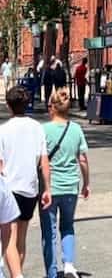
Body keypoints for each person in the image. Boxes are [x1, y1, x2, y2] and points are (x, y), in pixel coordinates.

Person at [0, 86, 51, 278]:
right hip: (30, 189)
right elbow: (44, 161)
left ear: (9, 106)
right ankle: (17, 272)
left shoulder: (3, 130)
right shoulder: (36, 127)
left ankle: (17, 275)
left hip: (9, 188)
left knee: (8, 239)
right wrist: (47, 188)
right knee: (21, 238)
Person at [39, 89, 89, 278]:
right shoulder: (76, 129)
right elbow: (83, 159)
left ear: (52, 107)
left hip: (49, 187)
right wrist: (86, 183)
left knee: (49, 231)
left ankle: (52, 272)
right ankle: (68, 265)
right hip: (70, 185)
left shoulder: (43, 130)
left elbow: (39, 158)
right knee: (67, 225)